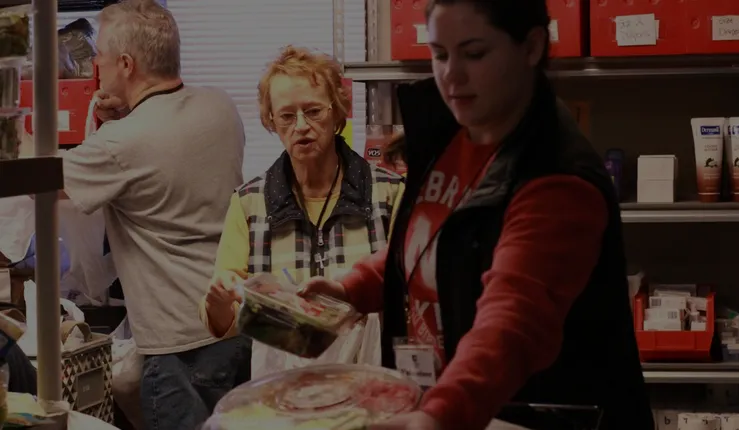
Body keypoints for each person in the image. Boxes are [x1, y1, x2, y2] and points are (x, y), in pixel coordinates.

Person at [301, 1, 654, 430]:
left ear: (532, 47)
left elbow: (513, 323)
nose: (451, 74)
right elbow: (437, 245)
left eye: (474, 53)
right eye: (440, 54)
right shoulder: (452, 134)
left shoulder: (558, 178)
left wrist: (440, 414)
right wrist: (352, 289)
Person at [59, 1, 250, 428]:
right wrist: (122, 116)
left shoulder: (121, 143)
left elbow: (42, 181)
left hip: (180, 348)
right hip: (237, 325)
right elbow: (164, 157)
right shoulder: (221, 106)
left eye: (101, 57)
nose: (97, 67)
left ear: (126, 64)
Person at [200, 46, 404, 376]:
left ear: (337, 112)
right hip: (285, 389)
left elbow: (407, 300)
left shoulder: (389, 193)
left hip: (368, 382)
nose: (301, 126)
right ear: (270, 120)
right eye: (286, 116)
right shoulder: (250, 203)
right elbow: (225, 321)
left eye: (313, 111)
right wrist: (218, 301)